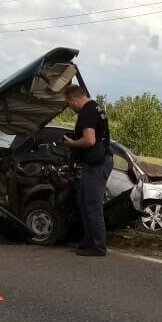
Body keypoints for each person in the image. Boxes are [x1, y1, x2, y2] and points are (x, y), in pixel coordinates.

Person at [62, 85, 113, 258]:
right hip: (96, 162)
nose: (70, 108)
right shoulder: (96, 107)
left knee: (92, 205)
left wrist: (72, 143)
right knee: (84, 202)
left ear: (73, 99)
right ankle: (89, 240)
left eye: (69, 104)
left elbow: (90, 140)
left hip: (97, 163)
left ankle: (98, 247)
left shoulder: (86, 112)